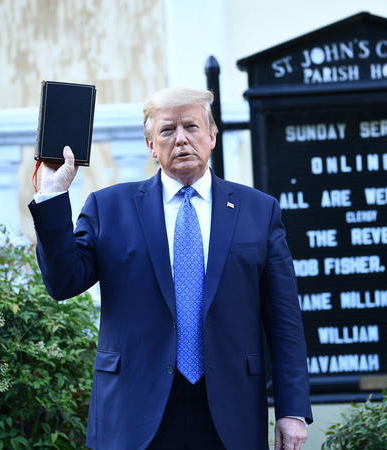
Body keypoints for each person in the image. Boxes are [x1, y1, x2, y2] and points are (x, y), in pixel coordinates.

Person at [29, 87, 312, 449]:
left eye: (191, 127)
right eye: (167, 130)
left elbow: (284, 321)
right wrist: (53, 196)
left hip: (230, 411)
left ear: (211, 136)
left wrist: (292, 410)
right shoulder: (109, 207)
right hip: (134, 412)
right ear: (150, 144)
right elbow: (63, 282)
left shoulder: (259, 211)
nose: (181, 139)